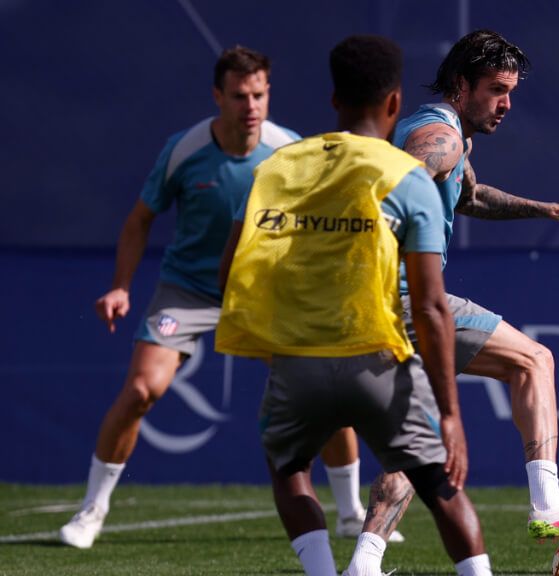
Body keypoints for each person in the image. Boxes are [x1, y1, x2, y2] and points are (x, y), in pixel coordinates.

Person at [340, 29, 559, 550]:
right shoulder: (440, 135)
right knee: (534, 361)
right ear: (460, 84)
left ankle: (363, 561)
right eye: (496, 89)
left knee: (416, 440)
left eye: (511, 91)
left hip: (370, 305)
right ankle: (549, 505)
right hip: (401, 299)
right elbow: (397, 190)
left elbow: (470, 195)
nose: (506, 104)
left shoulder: (450, 135)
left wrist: (553, 211)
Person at [215, 35, 492, 576]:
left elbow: (230, 273)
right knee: (440, 486)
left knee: (290, 470)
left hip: (298, 361)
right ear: (394, 103)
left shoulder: (275, 167)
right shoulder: (408, 178)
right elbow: (432, 308)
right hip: (377, 360)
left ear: (334, 99)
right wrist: (451, 414)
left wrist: (272, 346)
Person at [58, 46, 302, 549]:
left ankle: (349, 511)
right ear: (218, 96)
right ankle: (90, 512)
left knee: (318, 390)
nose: (250, 106)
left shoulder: (289, 151)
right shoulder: (184, 149)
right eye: (238, 96)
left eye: (258, 94)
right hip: (187, 289)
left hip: (261, 292)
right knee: (142, 390)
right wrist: (121, 286)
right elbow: (139, 221)